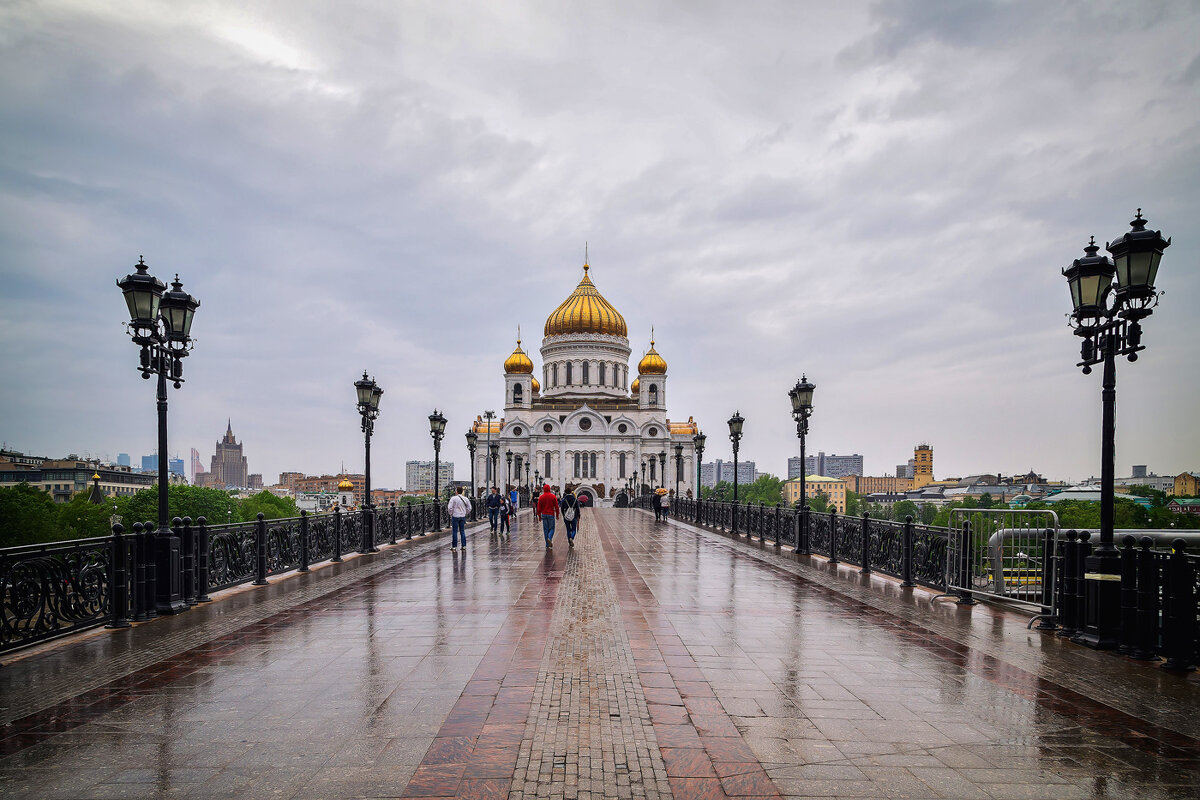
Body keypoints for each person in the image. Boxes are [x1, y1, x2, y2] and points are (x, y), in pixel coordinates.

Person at [447, 486, 472, 552]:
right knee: (462, 531)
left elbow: (450, 508)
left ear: (456, 491)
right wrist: (465, 513)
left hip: (455, 516)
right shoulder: (465, 499)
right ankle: (464, 546)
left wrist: (451, 513)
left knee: (455, 531)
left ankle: (454, 546)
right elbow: (469, 508)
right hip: (462, 516)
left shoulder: (453, 498)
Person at [536, 483, 559, 549]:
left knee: (545, 529)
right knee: (552, 528)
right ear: (549, 489)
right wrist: (557, 515)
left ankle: (547, 544)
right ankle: (549, 538)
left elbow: (539, 508)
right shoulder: (553, 496)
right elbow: (556, 507)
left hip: (544, 514)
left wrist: (539, 516)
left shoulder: (541, 497)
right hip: (551, 514)